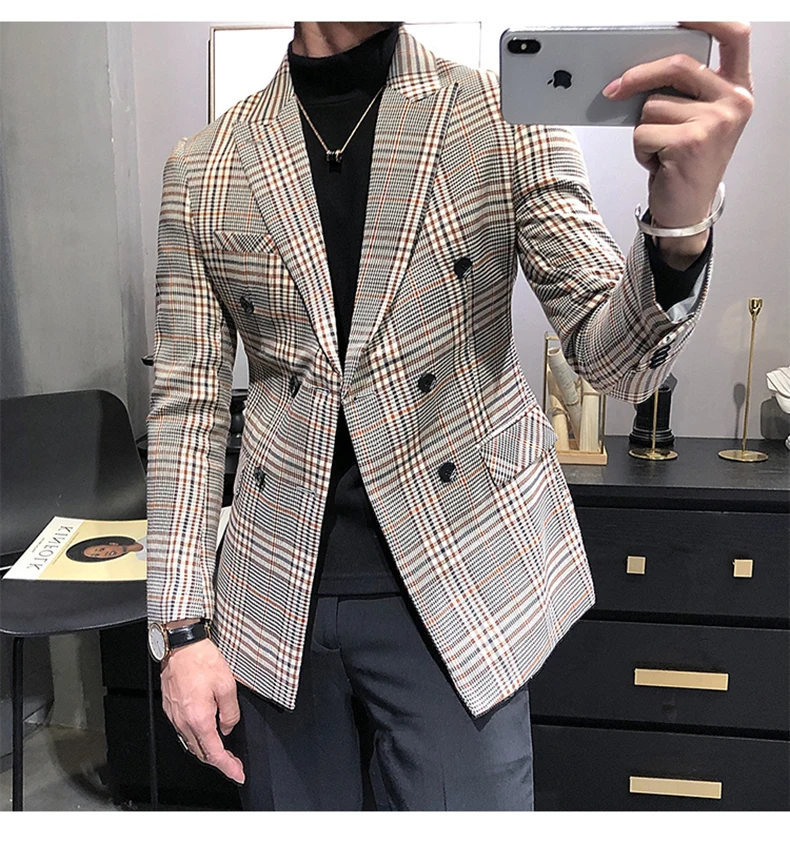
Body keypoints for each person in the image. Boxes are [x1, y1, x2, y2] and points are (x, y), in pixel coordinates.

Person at [145, 21, 754, 810]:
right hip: (272, 597)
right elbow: (187, 406)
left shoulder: (500, 118)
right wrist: (182, 628)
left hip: (458, 583)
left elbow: (615, 363)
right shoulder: (204, 165)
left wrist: (679, 227)